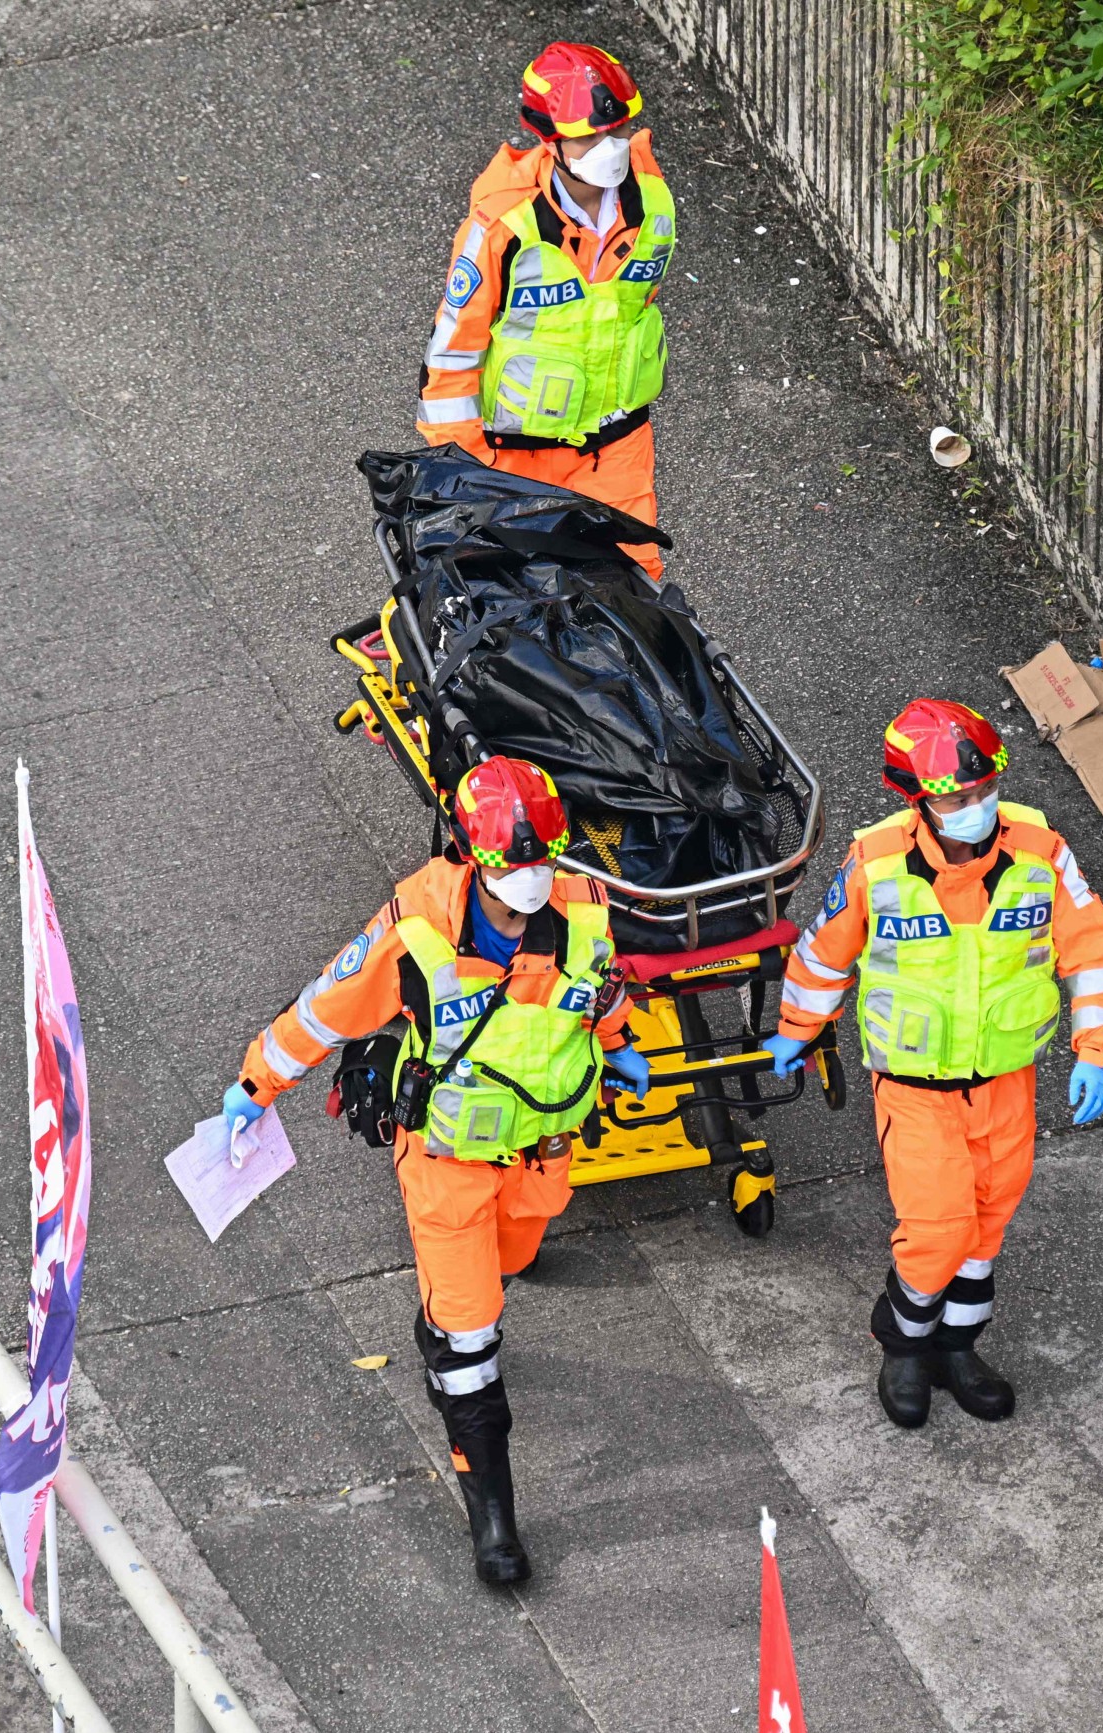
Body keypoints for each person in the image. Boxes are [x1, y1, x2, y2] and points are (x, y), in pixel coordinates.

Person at [219, 757, 650, 1585]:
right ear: (473, 857)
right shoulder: (414, 925)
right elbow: (323, 1008)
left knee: (512, 1262)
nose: (532, 879)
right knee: (472, 1330)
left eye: (542, 861)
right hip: (450, 1160)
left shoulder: (584, 907)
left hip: (544, 1157)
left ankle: (451, 1326)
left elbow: (600, 990)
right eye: (514, 864)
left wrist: (621, 1044)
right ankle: (493, 1513)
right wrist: (256, 1084)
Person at [766, 699, 1103, 1429]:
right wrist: (797, 1029)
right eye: (957, 798)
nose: (976, 808)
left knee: (986, 1223)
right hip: (915, 1089)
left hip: (1005, 1081)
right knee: (936, 1225)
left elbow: (1092, 950)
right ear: (919, 801)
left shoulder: (1039, 849)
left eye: (984, 790)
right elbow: (824, 955)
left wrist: (1096, 1050)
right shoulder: (876, 863)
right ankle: (902, 1342)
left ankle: (956, 1347)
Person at [418, 41, 677, 577]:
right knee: (517, 611)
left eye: (619, 129)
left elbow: (634, 313)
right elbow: (452, 359)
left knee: (635, 594)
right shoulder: (500, 228)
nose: (611, 146)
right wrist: (467, 473)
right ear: (551, 139)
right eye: (590, 135)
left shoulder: (653, 203)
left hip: (617, 446)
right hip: (512, 458)